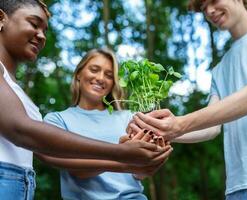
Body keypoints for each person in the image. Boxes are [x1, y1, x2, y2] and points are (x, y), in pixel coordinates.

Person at [129, 0, 247, 199]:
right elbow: (211, 128)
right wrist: (161, 130)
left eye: (213, 1)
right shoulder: (220, 69)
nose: (209, 11)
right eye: (203, 8)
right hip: (239, 188)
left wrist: (180, 124)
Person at [0, 1, 171, 199]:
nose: (42, 35)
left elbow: (42, 152)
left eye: (45, 29)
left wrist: (144, 157)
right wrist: (121, 154)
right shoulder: (57, 118)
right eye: (34, 24)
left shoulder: (14, 87)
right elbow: (22, 130)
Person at [37, 48, 165, 200]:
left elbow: (138, 173)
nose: (100, 78)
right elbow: (76, 169)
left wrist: (149, 163)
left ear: (113, 83)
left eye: (109, 75)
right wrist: (123, 154)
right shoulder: (56, 120)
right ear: (79, 73)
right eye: (94, 70)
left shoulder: (129, 117)